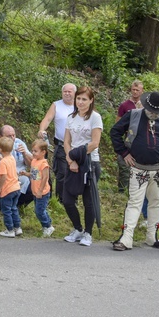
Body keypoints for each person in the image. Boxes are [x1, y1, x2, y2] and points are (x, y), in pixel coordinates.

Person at [110, 91, 159, 251]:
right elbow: (115, 132)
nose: (154, 114)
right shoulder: (133, 115)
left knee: (156, 203)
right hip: (138, 169)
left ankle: (152, 236)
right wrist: (124, 153)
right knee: (134, 203)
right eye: (152, 111)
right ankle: (126, 238)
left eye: (157, 112)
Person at [62, 86, 102, 247]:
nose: (81, 102)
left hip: (89, 162)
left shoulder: (95, 117)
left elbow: (94, 142)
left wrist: (78, 158)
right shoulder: (70, 117)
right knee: (67, 199)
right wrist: (70, 160)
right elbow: (66, 141)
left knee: (88, 201)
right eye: (78, 98)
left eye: (84, 99)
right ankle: (77, 228)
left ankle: (88, 233)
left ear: (91, 100)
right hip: (72, 161)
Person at [38, 83, 77, 202]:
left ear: (75, 93)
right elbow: (47, 119)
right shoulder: (56, 105)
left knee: (75, 172)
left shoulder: (79, 106)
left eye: (69, 91)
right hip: (61, 144)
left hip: (77, 145)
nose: (67, 93)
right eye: (65, 91)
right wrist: (42, 129)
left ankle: (73, 198)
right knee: (62, 172)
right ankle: (61, 199)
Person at [0, 125, 34, 213]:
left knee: (35, 186)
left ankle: (16, 207)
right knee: (1, 193)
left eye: (14, 135)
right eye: (9, 136)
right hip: (0, 180)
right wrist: (7, 186)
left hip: (19, 178)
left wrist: (25, 154)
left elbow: (33, 165)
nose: (12, 138)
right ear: (0, 137)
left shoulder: (19, 143)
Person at [115, 80, 144, 192]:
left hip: (141, 138)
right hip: (128, 137)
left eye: (138, 90)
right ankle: (122, 189)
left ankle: (136, 189)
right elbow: (118, 124)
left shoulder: (145, 106)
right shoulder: (125, 105)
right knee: (124, 163)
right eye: (133, 90)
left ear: (142, 91)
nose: (135, 92)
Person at [0, 136, 22, 238]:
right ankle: (17, 227)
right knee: (14, 208)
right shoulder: (11, 158)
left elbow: (3, 177)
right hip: (16, 188)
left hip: (7, 190)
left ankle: (9, 229)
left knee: (6, 210)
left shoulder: (2, 163)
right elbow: (5, 160)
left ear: (0, 149)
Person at [29, 139, 54, 237]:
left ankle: (48, 226)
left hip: (42, 192)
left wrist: (40, 191)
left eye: (35, 151)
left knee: (39, 211)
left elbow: (45, 178)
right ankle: (47, 224)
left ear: (43, 152)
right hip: (35, 191)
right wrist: (26, 174)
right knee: (40, 210)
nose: (33, 153)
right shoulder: (34, 161)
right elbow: (34, 174)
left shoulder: (44, 164)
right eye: (32, 151)